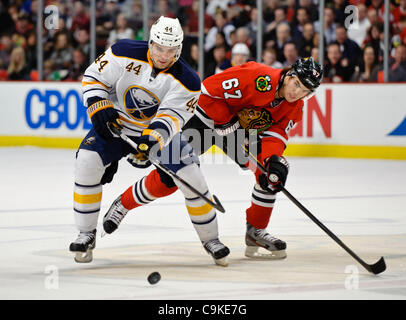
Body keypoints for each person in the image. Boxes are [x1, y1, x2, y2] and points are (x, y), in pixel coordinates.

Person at [103, 57, 323, 260]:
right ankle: (123, 204)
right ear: (290, 75)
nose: (297, 93)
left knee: (268, 174)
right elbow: (207, 89)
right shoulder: (258, 76)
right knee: (170, 178)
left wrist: (272, 159)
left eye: (305, 91)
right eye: (296, 85)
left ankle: (256, 231)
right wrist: (224, 119)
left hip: (237, 131)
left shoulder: (295, 107)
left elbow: (275, 136)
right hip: (205, 118)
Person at [69, 16, 230, 266]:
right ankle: (86, 234)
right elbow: (94, 77)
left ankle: (211, 239)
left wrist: (151, 141)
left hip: (159, 134)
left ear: (179, 49)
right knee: (87, 162)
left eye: (171, 50)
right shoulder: (124, 51)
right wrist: (98, 105)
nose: (164, 55)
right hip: (118, 123)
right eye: (159, 48)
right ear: (151, 42)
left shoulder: (188, 80)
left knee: (191, 178)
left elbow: (171, 116)